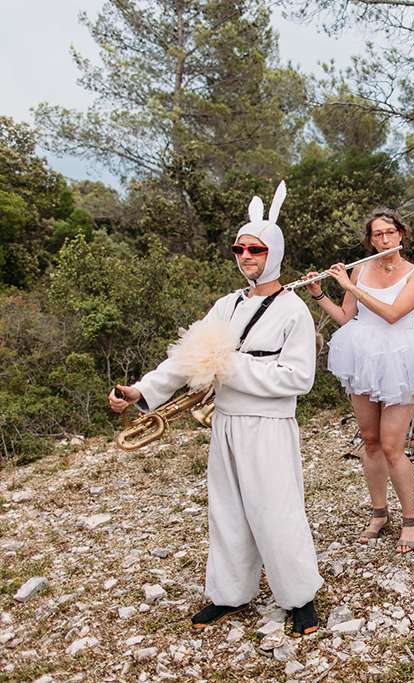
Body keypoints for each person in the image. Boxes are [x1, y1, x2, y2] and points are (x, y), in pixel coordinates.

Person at [108, 182, 323, 635]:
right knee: (227, 512)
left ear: (274, 253)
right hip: (225, 423)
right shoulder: (225, 306)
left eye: (255, 249)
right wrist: (140, 391)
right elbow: (187, 358)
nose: (246, 256)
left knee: (276, 511)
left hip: (268, 426)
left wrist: (231, 366)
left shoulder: (294, 311)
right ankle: (229, 594)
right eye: (239, 249)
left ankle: (299, 597)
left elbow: (299, 377)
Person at [306, 208, 414, 553]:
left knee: (392, 445)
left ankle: (411, 518)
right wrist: (319, 294)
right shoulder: (360, 269)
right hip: (364, 356)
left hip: (402, 357)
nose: (384, 240)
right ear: (370, 239)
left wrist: (348, 285)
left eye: (389, 233)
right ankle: (379, 513)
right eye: (377, 235)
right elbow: (347, 317)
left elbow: (393, 314)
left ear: (401, 234)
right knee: (370, 441)